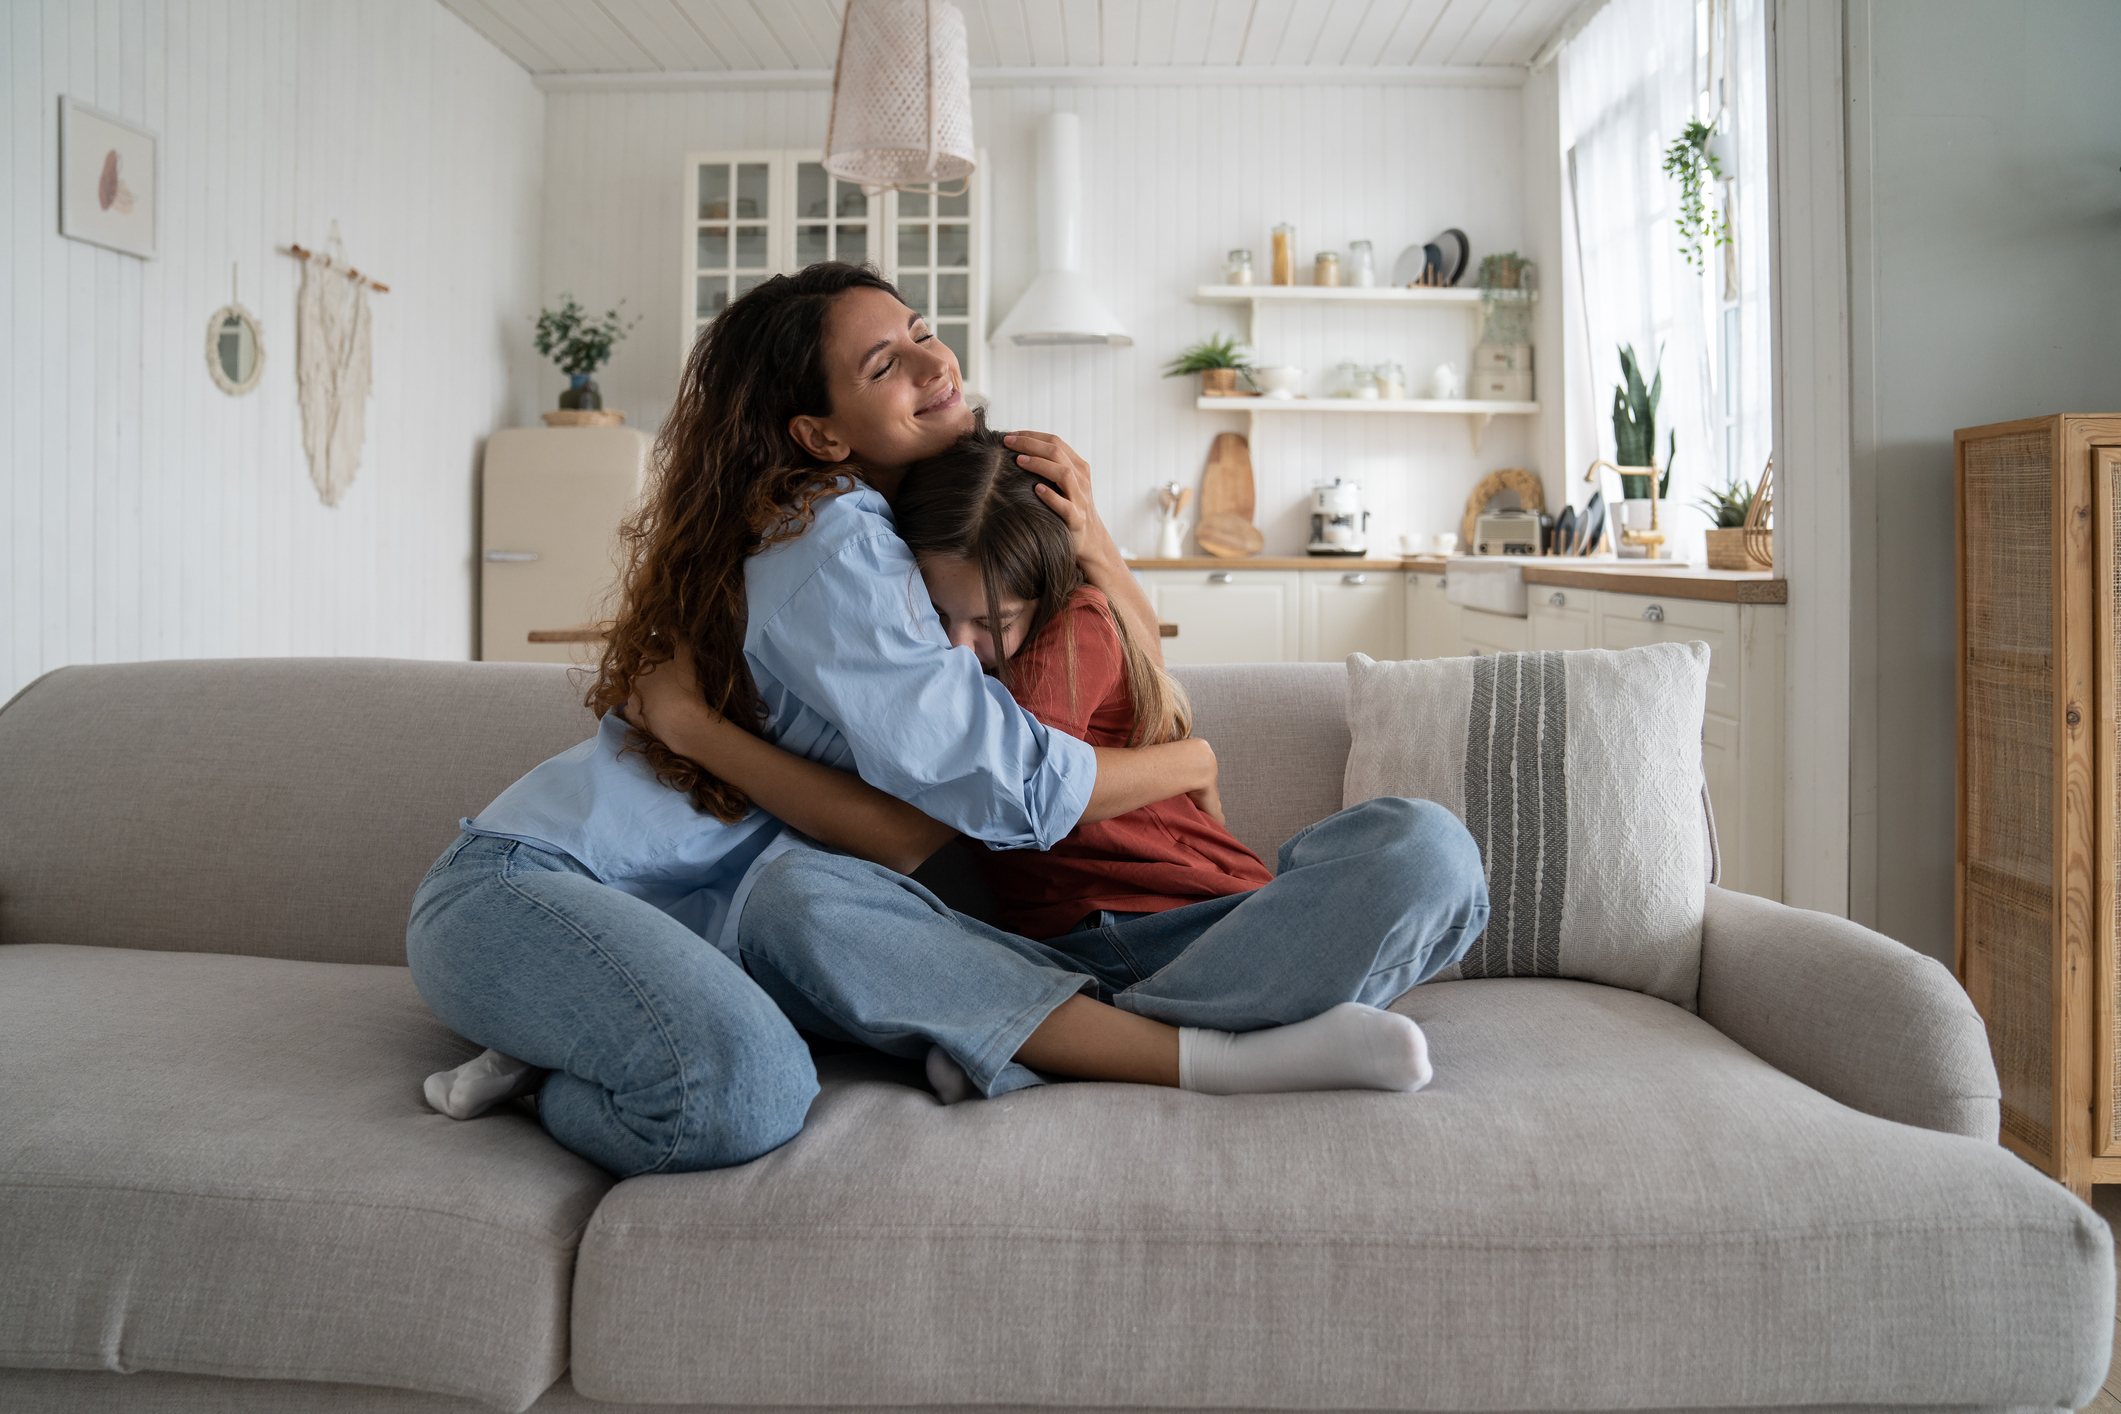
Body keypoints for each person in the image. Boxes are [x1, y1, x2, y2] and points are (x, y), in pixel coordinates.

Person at [408, 264, 1236, 1177]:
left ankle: (571, 1047)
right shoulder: (837, 534)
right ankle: (578, 1058)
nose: (931, 363)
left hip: (686, 933)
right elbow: (1006, 791)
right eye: (883, 364)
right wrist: (1191, 760)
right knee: (736, 1097)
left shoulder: (928, 545)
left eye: (921, 329)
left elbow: (926, 816)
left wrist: (1096, 542)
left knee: (810, 1027)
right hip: (537, 883)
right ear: (818, 434)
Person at [625, 414, 1491, 1105]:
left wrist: (698, 733)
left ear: (1038, 592)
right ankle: (1152, 1040)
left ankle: (1064, 1040)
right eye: (938, 618)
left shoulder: (1065, 628)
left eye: (990, 623)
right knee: (789, 903)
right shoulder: (920, 666)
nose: (963, 650)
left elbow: (1014, 795)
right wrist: (1190, 759)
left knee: (1427, 848)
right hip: (1032, 958)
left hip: (1210, 931)